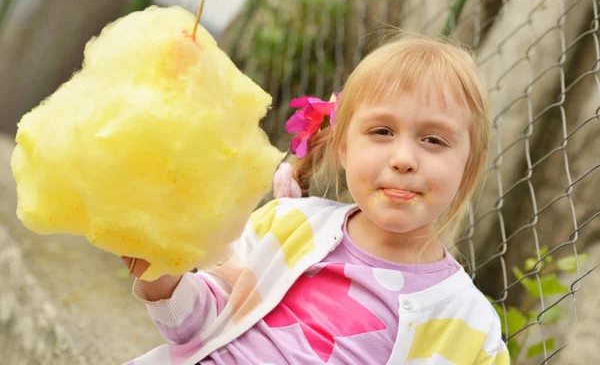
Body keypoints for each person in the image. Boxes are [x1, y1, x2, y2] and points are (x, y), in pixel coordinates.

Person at [123, 33, 509, 365]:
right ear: (343, 147)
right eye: (381, 131)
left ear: (469, 167)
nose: (404, 159)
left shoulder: (469, 327)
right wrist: (163, 280)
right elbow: (200, 327)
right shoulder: (288, 225)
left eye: (434, 140)